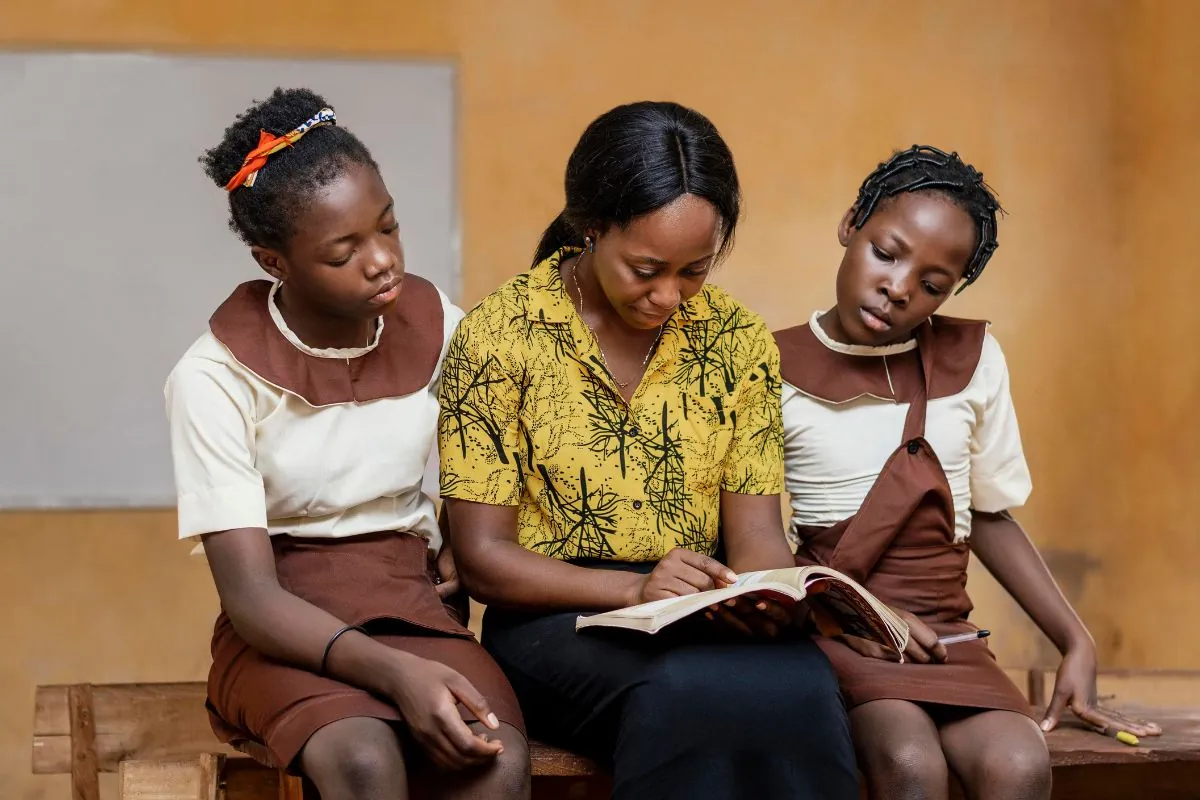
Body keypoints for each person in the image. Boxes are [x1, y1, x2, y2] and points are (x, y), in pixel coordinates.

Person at [437, 100, 858, 800]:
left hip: (695, 607)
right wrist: (633, 589)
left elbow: (754, 534)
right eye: (646, 268)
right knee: (683, 690)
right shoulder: (499, 337)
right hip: (553, 619)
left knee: (804, 684)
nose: (668, 295)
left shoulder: (736, 341)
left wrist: (760, 595)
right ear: (590, 227)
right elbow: (484, 561)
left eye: (695, 270)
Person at [164, 88, 529, 800]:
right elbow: (251, 599)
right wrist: (395, 673)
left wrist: (459, 533)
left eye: (388, 227)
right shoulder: (212, 377)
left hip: (411, 600)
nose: (383, 261)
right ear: (275, 262)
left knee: (490, 755)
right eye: (345, 251)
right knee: (362, 761)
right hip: (284, 623)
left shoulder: (437, 322)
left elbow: (485, 443)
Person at [775, 145, 1161, 800]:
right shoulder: (768, 365)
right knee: (910, 765)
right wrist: (843, 614)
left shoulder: (975, 360)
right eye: (887, 253)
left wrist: (1076, 640)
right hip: (847, 634)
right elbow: (747, 535)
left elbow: (985, 513)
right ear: (851, 224)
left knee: (1019, 764)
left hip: (950, 639)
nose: (898, 288)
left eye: (932, 285)